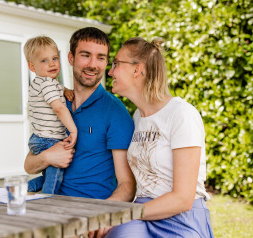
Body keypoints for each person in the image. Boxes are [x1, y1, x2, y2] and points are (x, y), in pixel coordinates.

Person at [91, 37, 214, 237]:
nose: (110, 71)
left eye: (116, 64)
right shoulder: (137, 117)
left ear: (137, 69)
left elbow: (183, 198)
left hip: (180, 217)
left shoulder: (181, 114)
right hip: (141, 214)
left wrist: (125, 213)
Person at [24, 27, 136, 201]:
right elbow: (29, 165)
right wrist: (47, 157)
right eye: (85, 55)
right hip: (49, 208)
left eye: (100, 58)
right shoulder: (54, 102)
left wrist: (102, 218)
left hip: (89, 212)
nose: (93, 64)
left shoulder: (115, 111)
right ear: (71, 58)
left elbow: (127, 186)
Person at [24, 36, 77, 194]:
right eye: (44, 61)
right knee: (55, 178)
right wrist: (73, 130)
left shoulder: (43, 82)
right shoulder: (47, 84)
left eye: (55, 58)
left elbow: (57, 89)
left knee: (51, 175)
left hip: (39, 138)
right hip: (48, 139)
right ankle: (47, 202)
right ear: (32, 67)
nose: (52, 63)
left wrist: (66, 90)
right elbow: (59, 108)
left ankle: (25, 188)